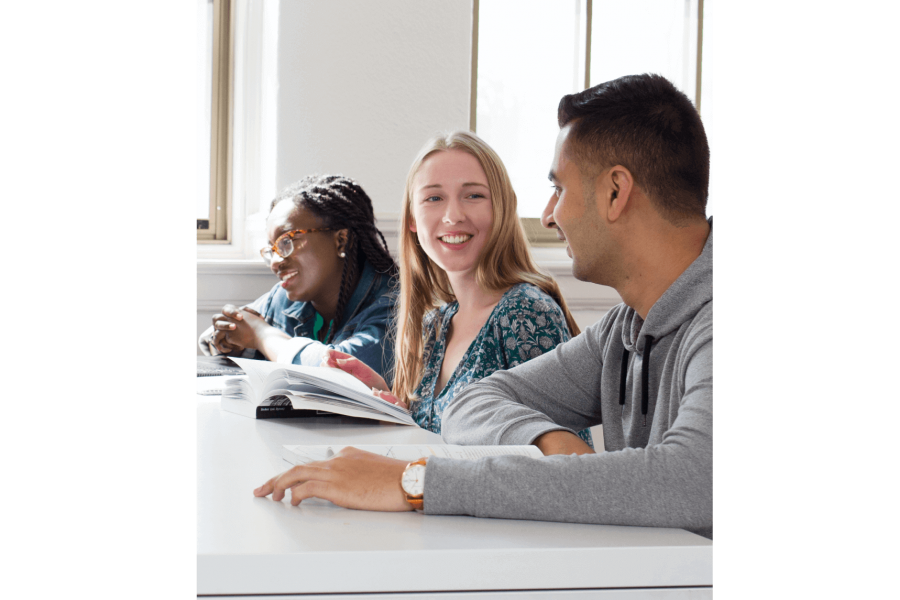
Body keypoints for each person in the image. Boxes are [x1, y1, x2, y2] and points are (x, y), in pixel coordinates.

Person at [254, 74, 713, 540]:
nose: (551, 213)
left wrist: (415, 482)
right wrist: (548, 439)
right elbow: (469, 404)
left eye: (560, 188)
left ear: (616, 192)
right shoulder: (622, 330)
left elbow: (691, 482)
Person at [319, 131, 591, 447]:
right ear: (412, 220)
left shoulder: (525, 312)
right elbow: (439, 445)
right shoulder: (434, 324)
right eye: (434, 198)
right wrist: (383, 403)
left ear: (502, 207)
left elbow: (564, 464)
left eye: (473, 195)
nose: (453, 216)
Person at [198, 174, 398, 379]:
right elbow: (221, 335)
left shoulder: (397, 308)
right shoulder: (281, 299)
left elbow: (342, 375)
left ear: (341, 240)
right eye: (271, 249)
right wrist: (232, 345)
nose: (275, 262)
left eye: (286, 241)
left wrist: (262, 334)